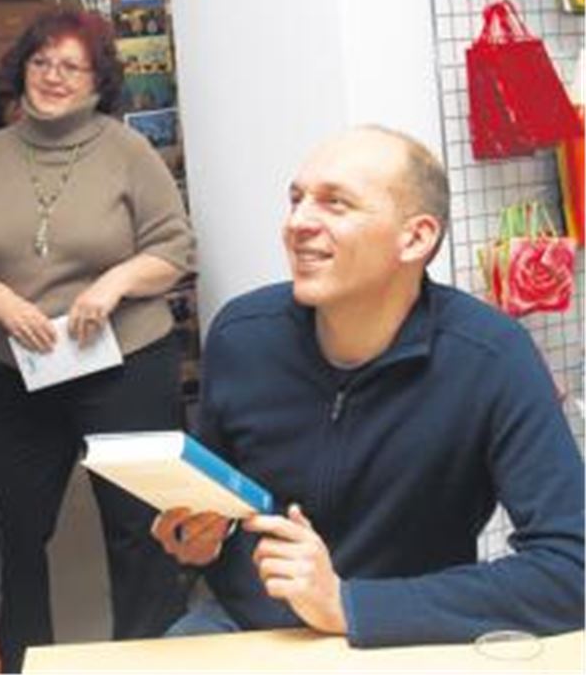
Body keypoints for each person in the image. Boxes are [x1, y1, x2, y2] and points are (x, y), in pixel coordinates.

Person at [152, 126, 585, 646]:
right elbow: (218, 497)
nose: (297, 223)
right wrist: (203, 533)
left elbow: (572, 569)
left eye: (335, 204)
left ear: (416, 238)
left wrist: (347, 605)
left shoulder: (491, 357)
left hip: (412, 635)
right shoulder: (242, 334)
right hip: (246, 629)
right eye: (296, 199)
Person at [0, 9, 195, 669]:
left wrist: (113, 283)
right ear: (21, 68)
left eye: (72, 66)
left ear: (98, 79)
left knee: (138, 531)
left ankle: (149, 663)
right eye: (42, 62)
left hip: (127, 363)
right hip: (25, 371)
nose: (54, 77)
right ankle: (20, 661)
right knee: (10, 529)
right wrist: (0, 301)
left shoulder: (126, 150)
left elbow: (175, 248)